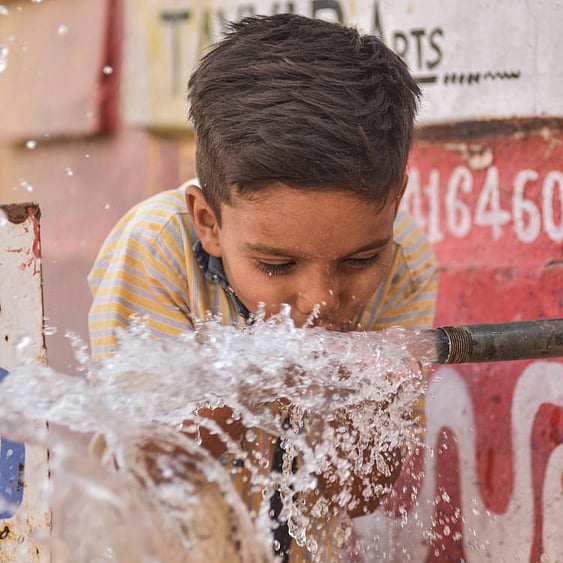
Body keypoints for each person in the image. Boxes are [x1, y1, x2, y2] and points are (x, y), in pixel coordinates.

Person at [87, 13, 437, 561]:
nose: (322, 299)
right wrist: (258, 376)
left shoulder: (404, 261)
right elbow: (146, 463)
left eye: (360, 260)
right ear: (209, 221)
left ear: (395, 201)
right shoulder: (160, 247)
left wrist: (368, 406)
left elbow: (358, 495)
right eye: (277, 266)